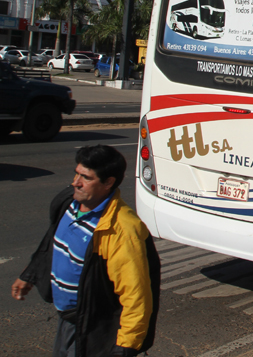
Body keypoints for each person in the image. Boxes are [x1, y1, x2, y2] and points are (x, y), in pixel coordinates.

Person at [11, 144, 160, 356]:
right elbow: (51, 242)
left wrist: (125, 348)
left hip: (93, 325)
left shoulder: (121, 230)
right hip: (68, 319)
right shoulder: (69, 202)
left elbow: (136, 296)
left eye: (86, 178)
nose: (75, 183)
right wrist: (30, 274)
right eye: (76, 173)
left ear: (108, 182)